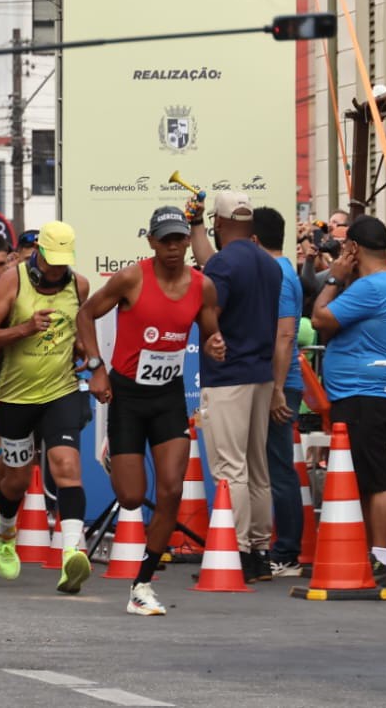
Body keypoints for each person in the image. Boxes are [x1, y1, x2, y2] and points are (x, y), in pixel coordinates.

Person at [78, 206, 224, 615]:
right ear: (152, 242)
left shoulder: (203, 286)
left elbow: (212, 334)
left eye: (180, 239)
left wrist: (214, 345)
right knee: (130, 496)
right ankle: (115, 451)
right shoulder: (131, 278)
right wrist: (96, 368)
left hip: (168, 397)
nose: (175, 247)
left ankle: (142, 584)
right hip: (127, 394)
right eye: (167, 240)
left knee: (171, 491)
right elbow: (86, 314)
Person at [0, 220, 96, 594]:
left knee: (67, 466)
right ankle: (6, 530)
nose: (57, 269)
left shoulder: (80, 285)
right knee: (18, 479)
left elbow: (81, 330)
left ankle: (73, 552)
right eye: (52, 260)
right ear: (38, 251)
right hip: (13, 397)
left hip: (59, 391)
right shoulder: (12, 282)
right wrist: (24, 328)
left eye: (64, 261)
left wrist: (86, 356)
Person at [190, 191, 282, 582]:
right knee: (257, 469)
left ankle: (237, 551)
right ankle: (259, 552)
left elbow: (211, 309)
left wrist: (207, 329)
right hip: (261, 374)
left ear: (222, 223)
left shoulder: (225, 265)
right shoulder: (269, 263)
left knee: (230, 470)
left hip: (228, 376)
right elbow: (216, 264)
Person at [312, 215, 386, 585]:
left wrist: (334, 276)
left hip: (362, 394)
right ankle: (373, 554)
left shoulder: (371, 288)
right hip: (362, 393)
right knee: (366, 480)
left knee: (376, 480)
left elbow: (320, 318)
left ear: (353, 248)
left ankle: (381, 558)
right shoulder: (380, 283)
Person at [254, 206, 306, 578]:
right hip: (276, 381)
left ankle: (286, 552)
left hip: (281, 384)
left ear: (254, 240)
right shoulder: (278, 271)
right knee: (268, 466)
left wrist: (276, 391)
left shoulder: (281, 275)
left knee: (279, 467)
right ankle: (272, 549)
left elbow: (285, 336)